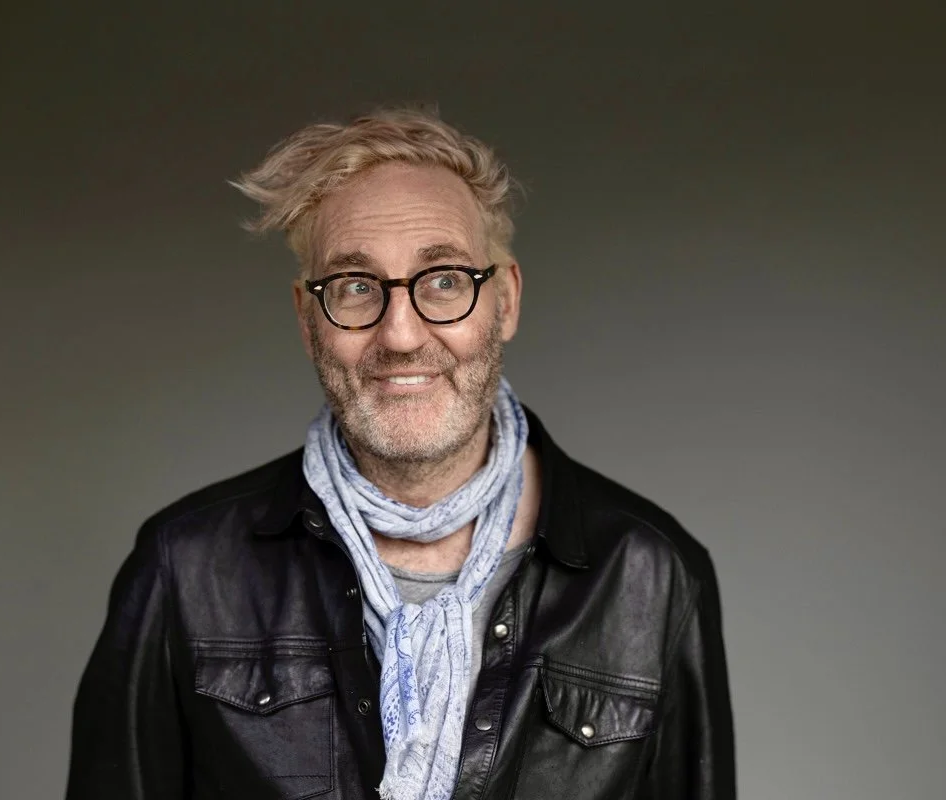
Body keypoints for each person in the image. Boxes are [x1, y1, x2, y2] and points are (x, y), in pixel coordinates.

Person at [66, 107, 735, 800]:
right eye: (356, 287)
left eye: (444, 279)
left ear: (505, 301)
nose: (402, 335)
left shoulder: (652, 575)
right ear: (307, 320)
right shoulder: (185, 568)